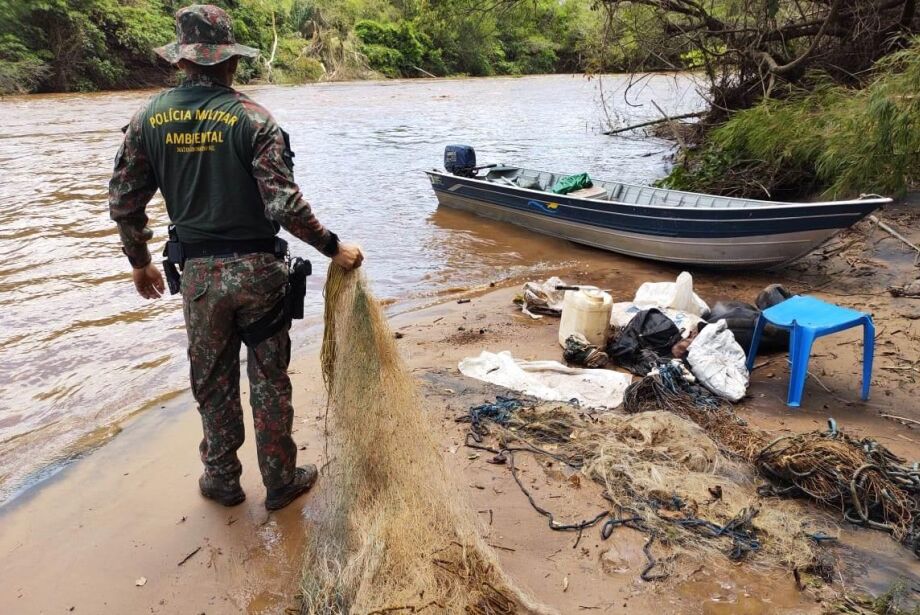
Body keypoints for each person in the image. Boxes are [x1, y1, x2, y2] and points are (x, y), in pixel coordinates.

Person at [108, 4, 363, 511]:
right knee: (269, 379)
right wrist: (334, 247)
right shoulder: (254, 119)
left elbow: (124, 201)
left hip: (199, 277)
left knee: (212, 380)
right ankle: (280, 481)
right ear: (230, 62)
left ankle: (222, 479)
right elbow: (284, 205)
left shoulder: (147, 120)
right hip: (261, 275)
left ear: (182, 60)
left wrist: (139, 261)